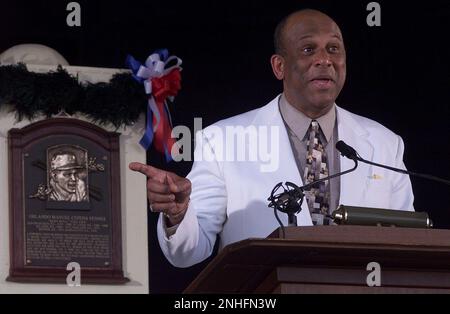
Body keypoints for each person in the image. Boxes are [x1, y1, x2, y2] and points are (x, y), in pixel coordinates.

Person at [129, 9, 414, 267]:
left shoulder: (384, 144)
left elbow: (408, 243)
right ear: (279, 66)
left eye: (334, 49)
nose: (325, 60)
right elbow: (189, 251)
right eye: (308, 49)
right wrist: (179, 215)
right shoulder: (223, 141)